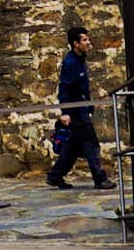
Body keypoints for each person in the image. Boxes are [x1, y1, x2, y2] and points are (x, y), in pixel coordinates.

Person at [47, 22, 114, 191]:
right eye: (85, 40)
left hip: (82, 109)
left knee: (73, 146)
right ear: (76, 44)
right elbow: (65, 88)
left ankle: (55, 176)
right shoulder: (71, 63)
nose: (88, 42)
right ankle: (99, 179)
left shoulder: (79, 60)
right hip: (76, 112)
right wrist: (66, 112)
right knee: (91, 144)